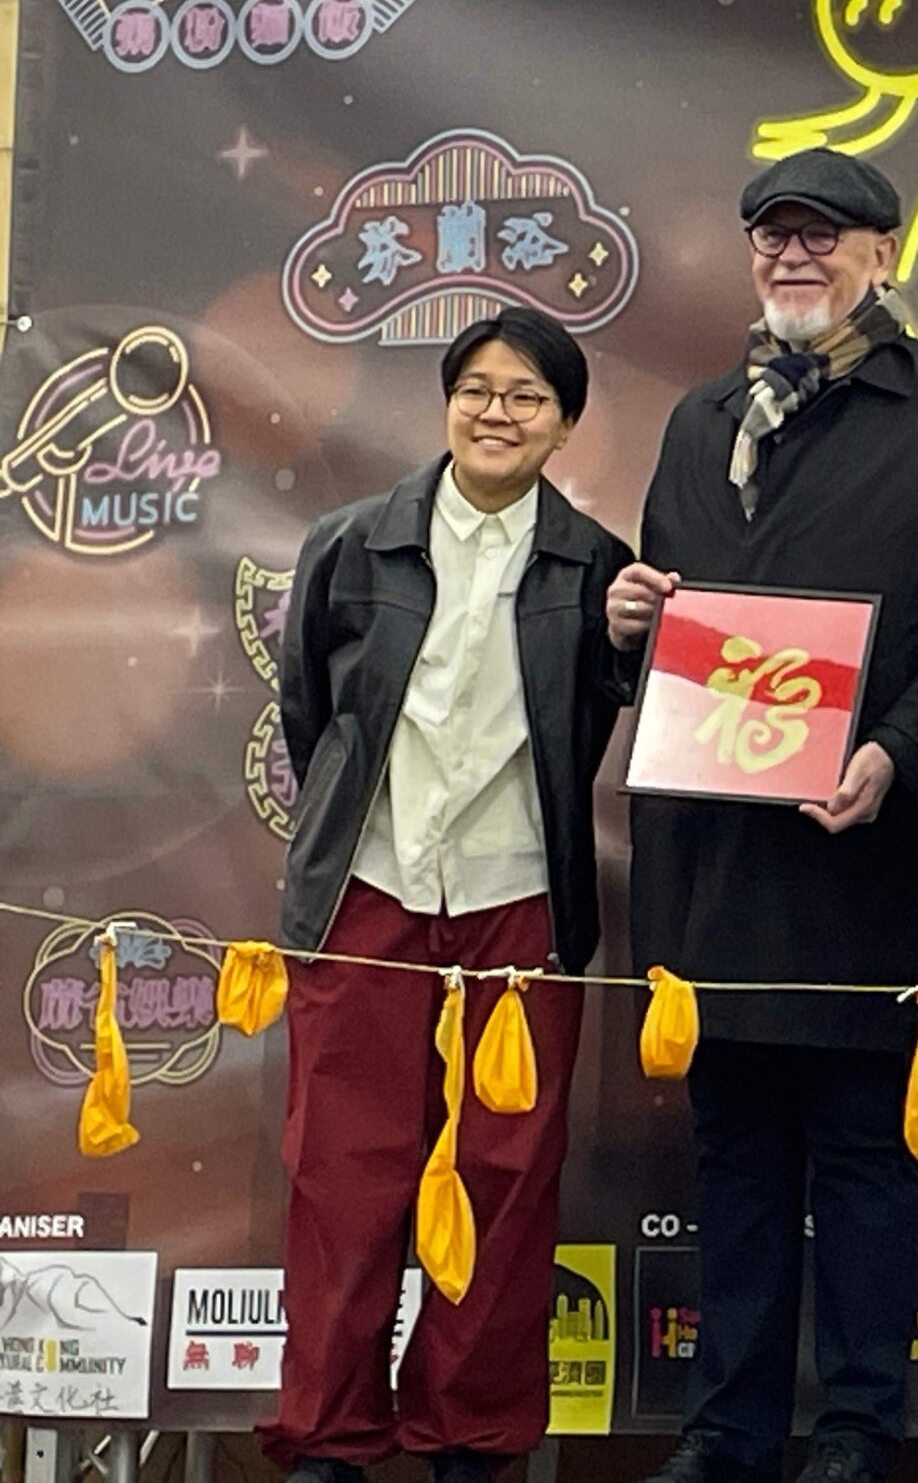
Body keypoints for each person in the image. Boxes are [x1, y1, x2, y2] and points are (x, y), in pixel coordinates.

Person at [612, 149, 918, 1483]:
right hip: (714, 856)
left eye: (823, 236)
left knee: (865, 1154)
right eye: (773, 236)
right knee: (734, 1155)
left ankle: (858, 1428)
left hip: (871, 851)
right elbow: (681, 624)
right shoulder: (700, 420)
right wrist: (631, 623)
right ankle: (726, 1430)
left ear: (883, 252)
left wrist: (896, 754)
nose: (793, 257)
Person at [265, 308, 633, 1483]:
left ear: (564, 425)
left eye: (527, 396)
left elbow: (600, 717)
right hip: (367, 893)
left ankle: (469, 1434)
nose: (496, 413)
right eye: (477, 388)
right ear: (446, 403)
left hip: (519, 899)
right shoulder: (350, 543)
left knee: (503, 1179)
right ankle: (329, 1435)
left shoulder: (597, 566)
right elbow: (311, 714)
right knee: (346, 1171)